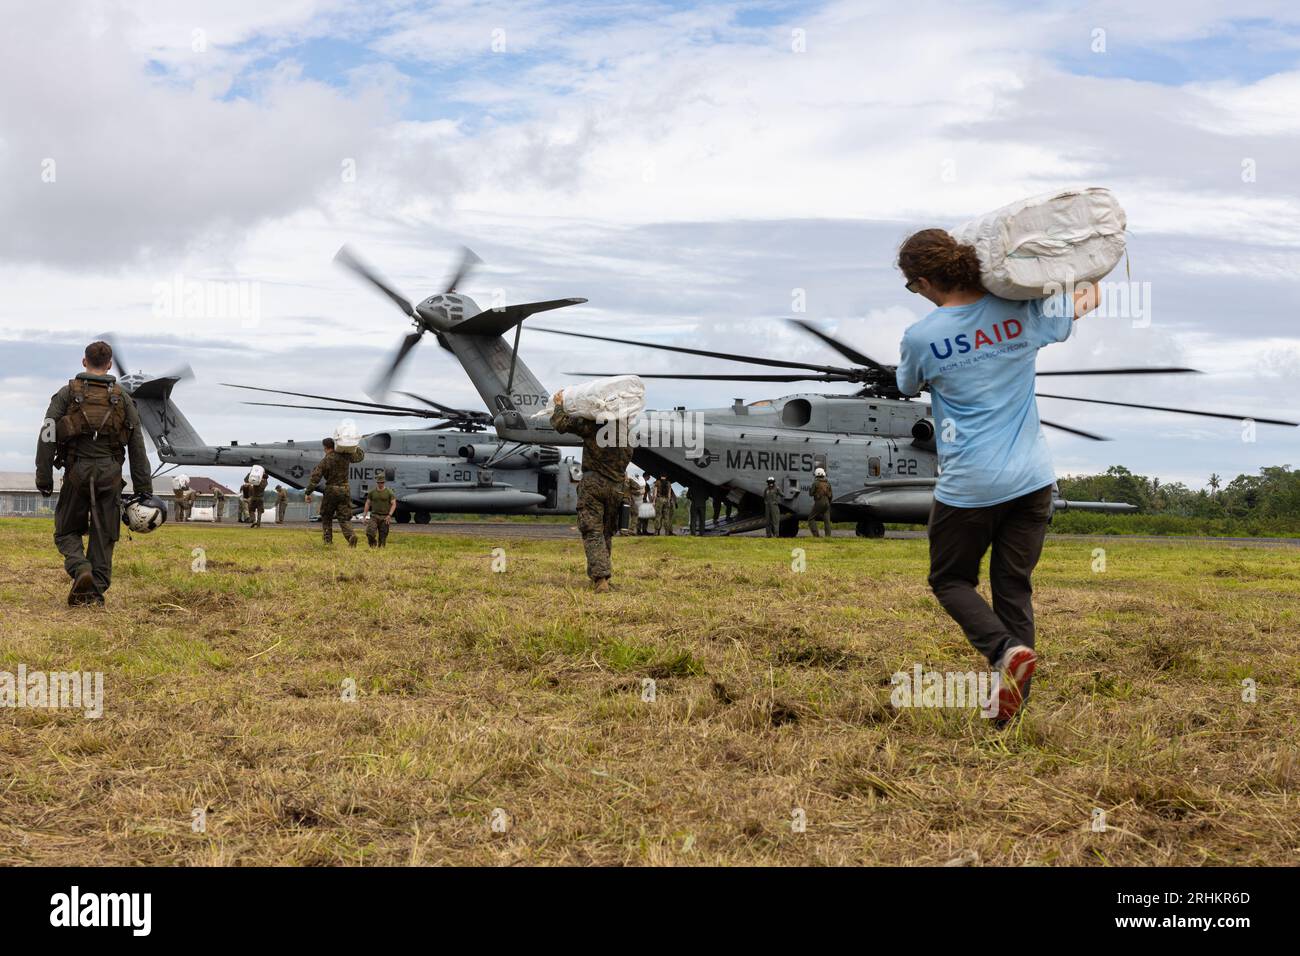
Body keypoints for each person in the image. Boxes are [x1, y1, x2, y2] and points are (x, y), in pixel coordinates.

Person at [896, 228, 1102, 722]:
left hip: (971, 485)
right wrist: (1084, 261)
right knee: (1012, 586)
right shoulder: (1020, 312)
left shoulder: (922, 336)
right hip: (1034, 481)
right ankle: (1011, 707)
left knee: (949, 580)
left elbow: (906, 382)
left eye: (912, 286)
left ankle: (1003, 653)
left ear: (925, 281)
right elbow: (1087, 296)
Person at [35, 340, 154, 606]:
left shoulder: (66, 394)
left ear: (84, 361)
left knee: (66, 531)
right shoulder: (122, 398)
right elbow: (137, 444)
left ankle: (81, 570)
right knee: (104, 535)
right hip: (110, 475)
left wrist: (43, 477)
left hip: (77, 471)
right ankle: (94, 592)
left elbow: (47, 434)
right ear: (109, 364)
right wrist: (144, 489)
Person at [550, 395, 633, 591]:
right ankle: (603, 576)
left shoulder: (594, 426)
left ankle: (601, 579)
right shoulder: (625, 435)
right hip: (616, 488)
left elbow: (561, 424)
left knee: (592, 531)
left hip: (593, 485)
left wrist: (559, 405)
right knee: (606, 533)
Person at [306, 437, 364, 546]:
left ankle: (328, 542)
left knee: (326, 516)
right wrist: (356, 446)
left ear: (325, 447)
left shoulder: (326, 460)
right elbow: (360, 457)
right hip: (345, 490)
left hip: (331, 490)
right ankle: (351, 535)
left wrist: (308, 492)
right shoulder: (345, 456)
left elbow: (315, 478)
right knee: (344, 517)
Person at [362, 472, 397, 548]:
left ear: (384, 482)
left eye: (382, 482)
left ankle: (380, 550)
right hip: (374, 516)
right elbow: (367, 503)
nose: (380, 484)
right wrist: (364, 516)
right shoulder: (372, 492)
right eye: (379, 482)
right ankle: (373, 545)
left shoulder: (389, 492)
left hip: (385, 517)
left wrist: (389, 515)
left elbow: (394, 504)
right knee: (370, 533)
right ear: (377, 482)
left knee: (383, 537)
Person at [809, 467, 833, 537]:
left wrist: (811, 488)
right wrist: (829, 503)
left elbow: (811, 493)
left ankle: (816, 535)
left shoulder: (815, 483)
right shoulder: (828, 483)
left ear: (816, 474)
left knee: (811, 518)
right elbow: (831, 495)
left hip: (819, 502)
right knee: (827, 521)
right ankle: (828, 536)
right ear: (823, 474)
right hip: (827, 502)